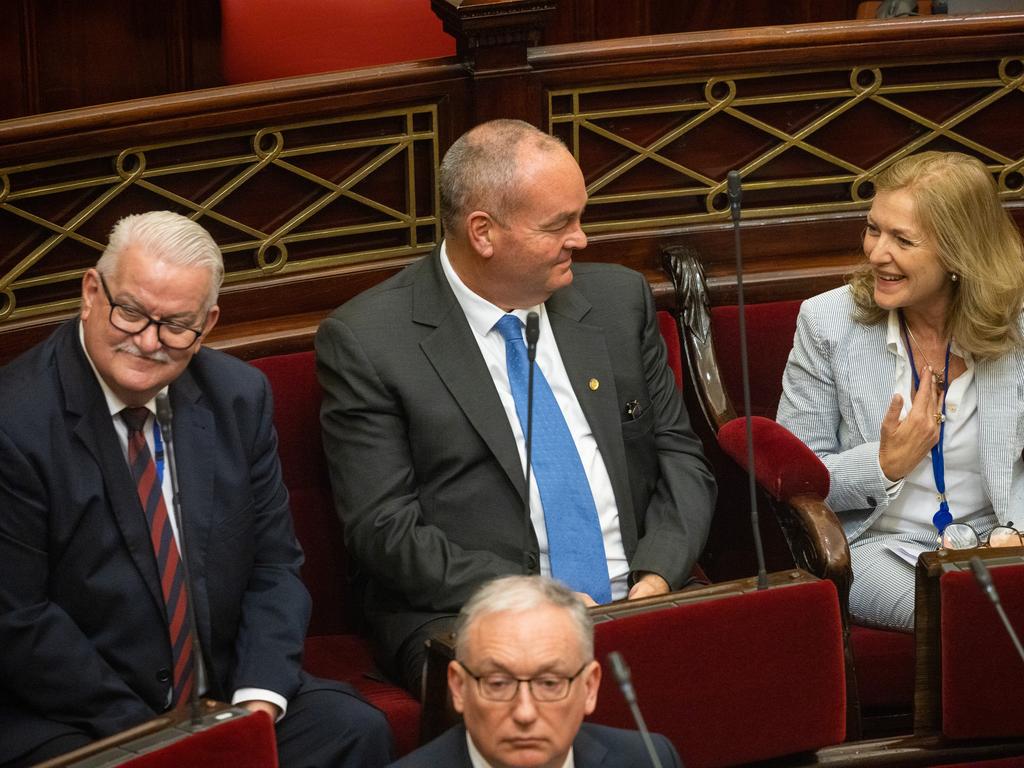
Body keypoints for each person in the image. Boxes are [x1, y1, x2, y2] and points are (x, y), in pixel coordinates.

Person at [316, 119, 716, 694]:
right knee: (536, 702)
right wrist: (534, 597)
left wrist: (657, 574)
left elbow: (680, 457)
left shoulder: (615, 300)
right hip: (476, 611)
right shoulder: (370, 341)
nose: (581, 239)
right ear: (483, 232)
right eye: (560, 225)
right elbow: (384, 530)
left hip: (641, 591)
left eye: (580, 216)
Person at [0, 211, 393, 767]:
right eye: (130, 312)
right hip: (79, 715)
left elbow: (275, 565)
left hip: (223, 694)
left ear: (207, 324)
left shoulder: (237, 396)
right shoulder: (14, 424)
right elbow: (18, 620)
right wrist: (162, 741)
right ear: (91, 291)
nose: (148, 341)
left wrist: (258, 701)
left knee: (351, 729)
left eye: (175, 324)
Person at [777, 151, 1024, 631]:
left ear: (959, 253)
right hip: (879, 549)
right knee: (966, 612)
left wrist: (1017, 533)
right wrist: (883, 464)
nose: (875, 253)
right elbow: (795, 477)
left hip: (1000, 540)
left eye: (902, 240)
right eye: (874, 229)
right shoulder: (827, 324)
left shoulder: (1017, 325)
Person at [388, 575, 682, 767]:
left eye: (550, 683)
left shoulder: (650, 759)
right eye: (499, 683)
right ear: (458, 688)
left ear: (589, 688)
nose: (525, 713)